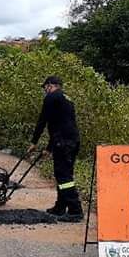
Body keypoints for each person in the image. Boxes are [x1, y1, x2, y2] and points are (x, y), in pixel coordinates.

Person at [27, 75, 83, 222]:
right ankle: (60, 207)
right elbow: (59, 124)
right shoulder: (67, 98)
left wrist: (34, 142)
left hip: (63, 142)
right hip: (72, 141)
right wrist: (49, 148)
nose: (45, 90)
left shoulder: (51, 98)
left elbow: (43, 120)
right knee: (64, 175)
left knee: (64, 177)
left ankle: (75, 210)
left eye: (45, 87)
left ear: (50, 85)